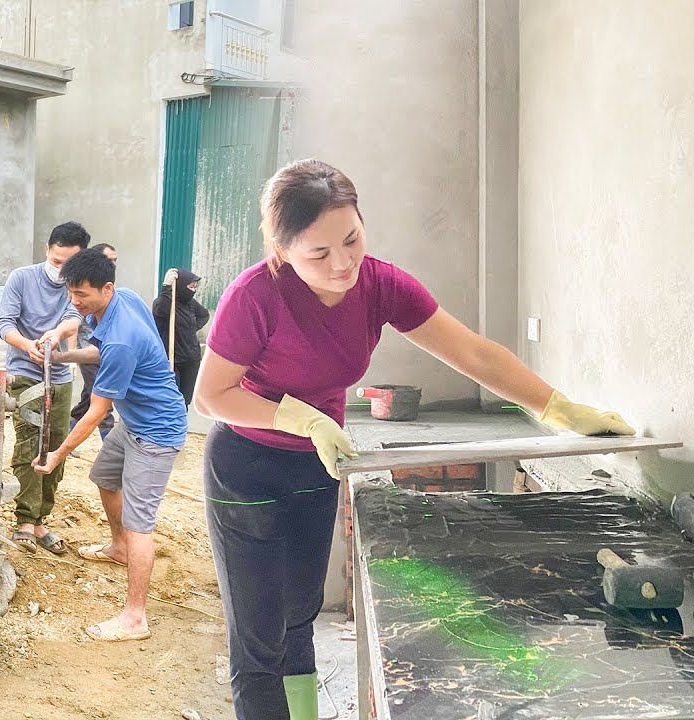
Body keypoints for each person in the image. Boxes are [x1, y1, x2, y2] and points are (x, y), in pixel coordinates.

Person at [192, 159, 635, 720]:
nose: (342, 263)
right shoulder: (255, 295)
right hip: (246, 469)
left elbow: (472, 353)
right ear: (282, 251)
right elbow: (211, 396)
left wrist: (558, 408)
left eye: (351, 240)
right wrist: (302, 419)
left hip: (317, 465)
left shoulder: (380, 285)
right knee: (258, 635)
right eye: (319, 254)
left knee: (299, 612)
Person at [34, 247, 188, 642]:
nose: (74, 301)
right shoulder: (125, 299)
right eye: (70, 292)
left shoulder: (122, 339)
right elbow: (99, 349)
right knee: (105, 476)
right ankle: (119, 548)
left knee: (140, 525)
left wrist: (57, 455)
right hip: (134, 421)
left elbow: (94, 413)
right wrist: (61, 355)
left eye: (81, 294)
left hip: (156, 433)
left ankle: (135, 618)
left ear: (106, 288)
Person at [0, 222, 89, 555]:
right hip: (25, 372)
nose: (60, 269)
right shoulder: (22, 278)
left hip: (60, 376)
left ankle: (40, 521)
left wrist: (57, 334)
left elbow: (74, 318)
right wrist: (27, 345)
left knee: (56, 447)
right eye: (56, 260)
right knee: (29, 443)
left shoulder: (77, 285)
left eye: (68, 264)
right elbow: (4, 323)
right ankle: (24, 519)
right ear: (47, 250)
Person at [70, 242, 119, 439]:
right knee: (103, 406)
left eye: (115, 260)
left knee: (86, 402)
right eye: (109, 260)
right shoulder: (82, 294)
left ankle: (65, 434)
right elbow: (73, 324)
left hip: (105, 352)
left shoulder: (110, 290)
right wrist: (70, 356)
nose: (113, 264)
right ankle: (109, 444)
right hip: (88, 354)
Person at [152, 267, 209, 407]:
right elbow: (161, 311)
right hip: (172, 359)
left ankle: (182, 420)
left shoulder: (190, 303)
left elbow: (204, 315)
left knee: (185, 400)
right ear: (181, 285)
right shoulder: (163, 303)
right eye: (191, 286)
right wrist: (166, 288)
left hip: (191, 359)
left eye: (195, 287)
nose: (193, 290)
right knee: (172, 398)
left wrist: (192, 329)